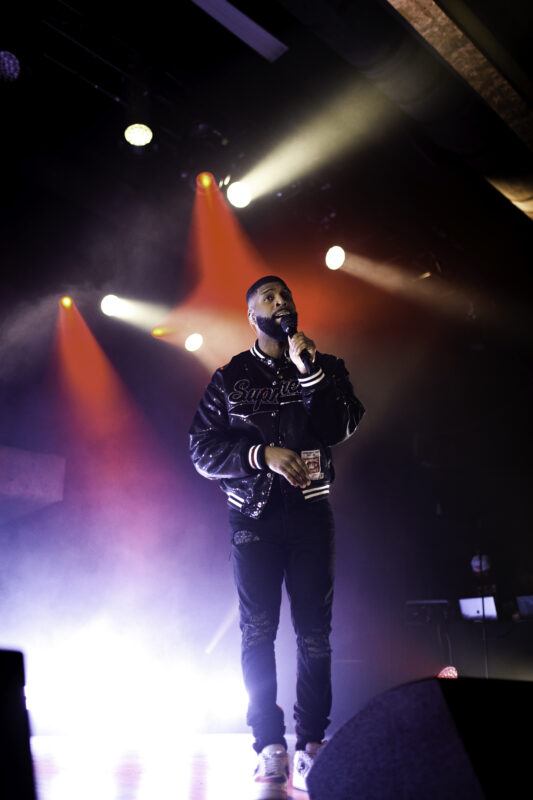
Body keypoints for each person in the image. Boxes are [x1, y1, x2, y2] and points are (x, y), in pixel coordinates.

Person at [189, 276, 365, 799]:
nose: (280, 302)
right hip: (253, 519)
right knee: (257, 632)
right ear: (252, 316)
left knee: (314, 635)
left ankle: (311, 744)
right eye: (268, 298)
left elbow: (341, 425)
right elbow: (201, 450)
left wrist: (310, 373)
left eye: (285, 295)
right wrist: (259, 455)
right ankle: (269, 743)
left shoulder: (323, 365)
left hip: (310, 514)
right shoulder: (231, 377)